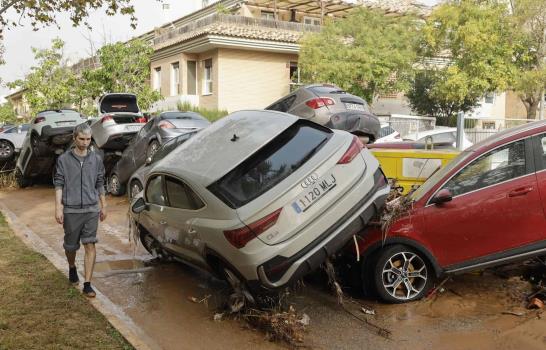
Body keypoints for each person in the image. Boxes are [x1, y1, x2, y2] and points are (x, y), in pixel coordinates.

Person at [54, 123, 107, 297]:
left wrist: (103, 205)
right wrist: (58, 208)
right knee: (71, 247)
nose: (85, 143)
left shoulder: (96, 159)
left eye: (88, 139)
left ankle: (87, 283)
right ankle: (71, 267)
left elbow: (100, 183)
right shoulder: (64, 160)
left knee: (90, 244)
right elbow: (59, 184)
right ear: (74, 138)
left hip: (91, 209)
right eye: (82, 139)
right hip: (71, 210)